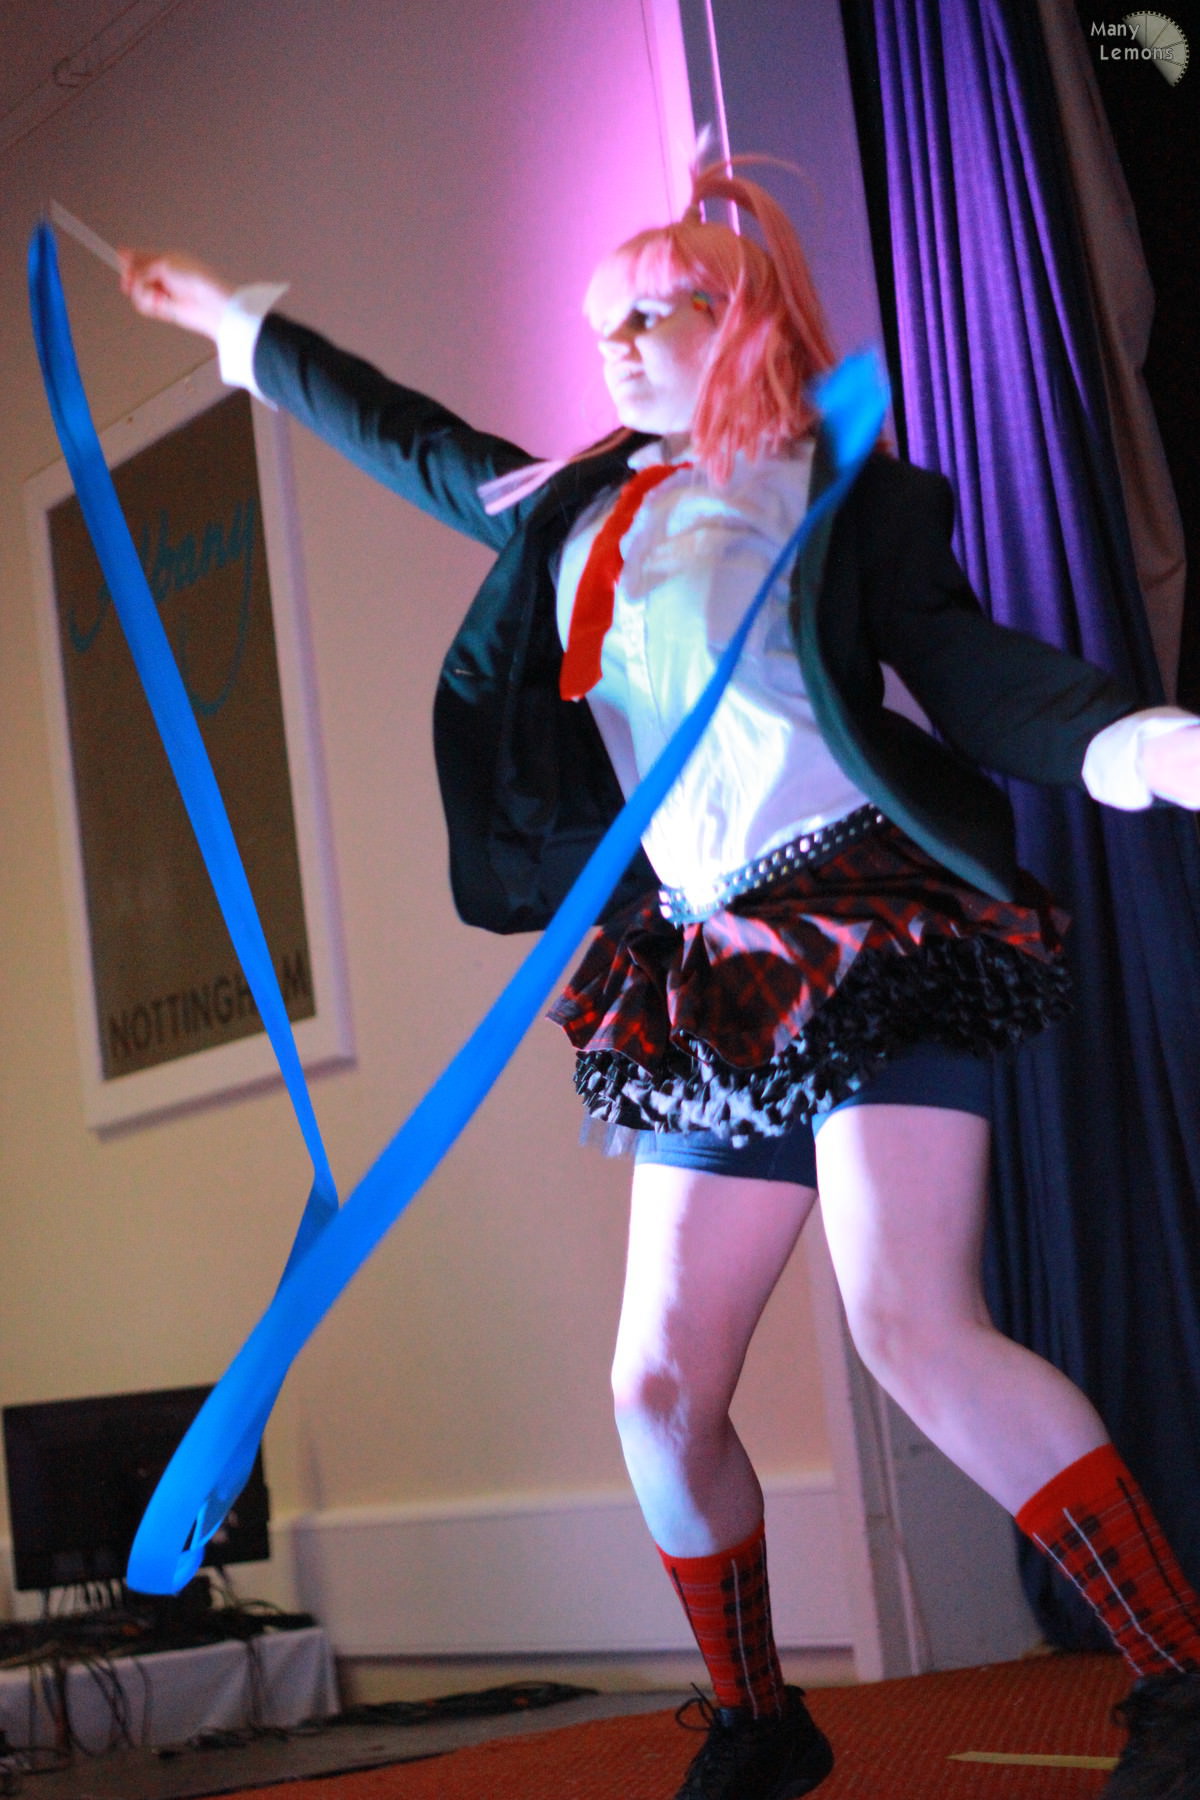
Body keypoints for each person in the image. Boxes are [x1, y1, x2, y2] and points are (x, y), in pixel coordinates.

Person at [121, 158, 1200, 1800]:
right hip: (706, 965)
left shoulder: (836, 495)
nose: (615, 345)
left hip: (865, 922)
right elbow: (407, 435)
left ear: (742, 318)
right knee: (658, 1388)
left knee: (910, 1323)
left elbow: (969, 670)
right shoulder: (567, 506)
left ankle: (1181, 1679)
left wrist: (1139, 744)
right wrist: (232, 324)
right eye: (598, 324)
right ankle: (762, 1725)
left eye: (652, 313)